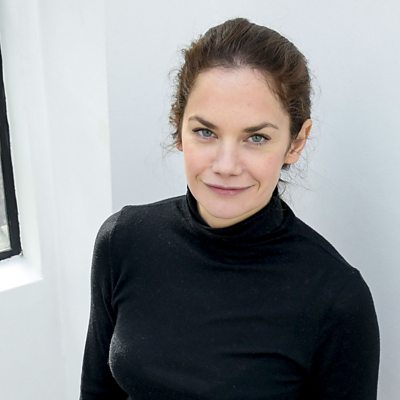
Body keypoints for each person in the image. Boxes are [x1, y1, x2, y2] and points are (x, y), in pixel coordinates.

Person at [80, 17, 380, 399]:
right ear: (179, 127)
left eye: (256, 138)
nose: (226, 165)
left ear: (296, 142)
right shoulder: (123, 240)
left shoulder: (337, 298)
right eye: (205, 132)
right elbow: (97, 392)